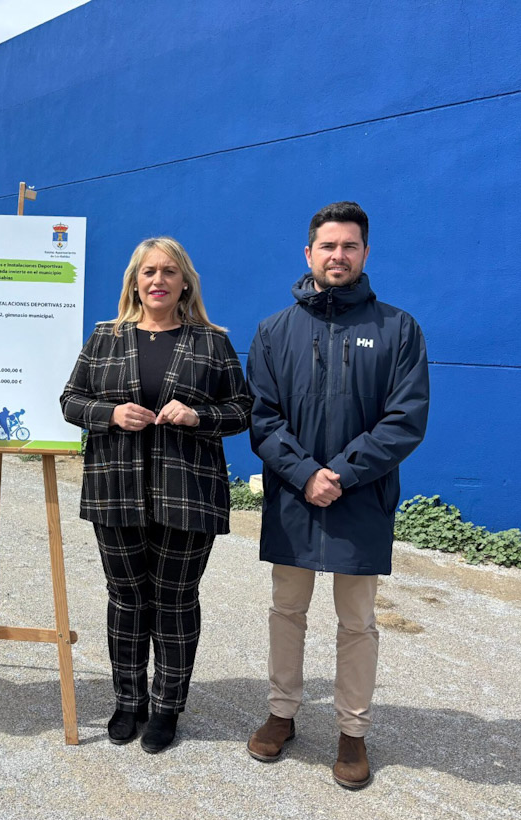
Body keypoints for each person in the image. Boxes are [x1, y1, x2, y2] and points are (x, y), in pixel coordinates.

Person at [245, 201, 429, 788]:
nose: (338, 255)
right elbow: (262, 419)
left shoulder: (398, 329)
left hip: (362, 498)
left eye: (350, 246)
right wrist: (305, 474)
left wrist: (342, 475)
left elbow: (405, 420)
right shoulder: (274, 331)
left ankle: (353, 731)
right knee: (287, 610)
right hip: (294, 498)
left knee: (357, 622)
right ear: (309, 253)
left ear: (366, 253)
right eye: (328, 246)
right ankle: (282, 713)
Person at [60, 237, 251, 753]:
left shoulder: (212, 342)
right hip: (115, 490)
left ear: (184, 282)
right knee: (126, 599)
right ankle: (129, 701)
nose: (158, 280)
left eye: (169, 271)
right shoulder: (105, 337)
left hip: (188, 492)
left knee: (175, 600)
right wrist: (110, 413)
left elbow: (242, 408)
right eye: (149, 272)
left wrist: (197, 415)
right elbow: (70, 401)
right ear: (135, 281)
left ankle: (166, 708)